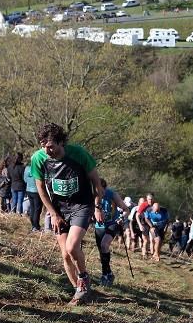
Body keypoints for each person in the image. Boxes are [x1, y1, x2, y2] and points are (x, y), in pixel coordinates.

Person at [31, 123, 104, 305]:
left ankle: (83, 278)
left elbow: (97, 183)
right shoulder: (38, 158)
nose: (46, 150)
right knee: (65, 254)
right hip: (59, 209)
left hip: (81, 205)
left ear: (61, 142)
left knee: (72, 247)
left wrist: (97, 206)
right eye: (42, 145)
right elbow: (40, 189)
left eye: (50, 146)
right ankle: (78, 292)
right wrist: (53, 214)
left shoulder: (79, 154)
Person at [93, 178, 129, 286]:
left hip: (113, 223)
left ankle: (105, 276)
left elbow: (126, 209)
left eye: (102, 191)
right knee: (102, 251)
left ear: (105, 188)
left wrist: (122, 218)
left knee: (104, 245)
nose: (101, 194)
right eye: (98, 192)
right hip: (99, 226)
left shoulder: (112, 194)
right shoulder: (92, 195)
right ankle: (108, 273)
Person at [24, 158, 42, 232]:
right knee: (37, 209)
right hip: (37, 191)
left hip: (28, 190)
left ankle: (33, 225)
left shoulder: (27, 168)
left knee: (32, 208)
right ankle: (36, 226)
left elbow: (25, 179)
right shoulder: (38, 168)